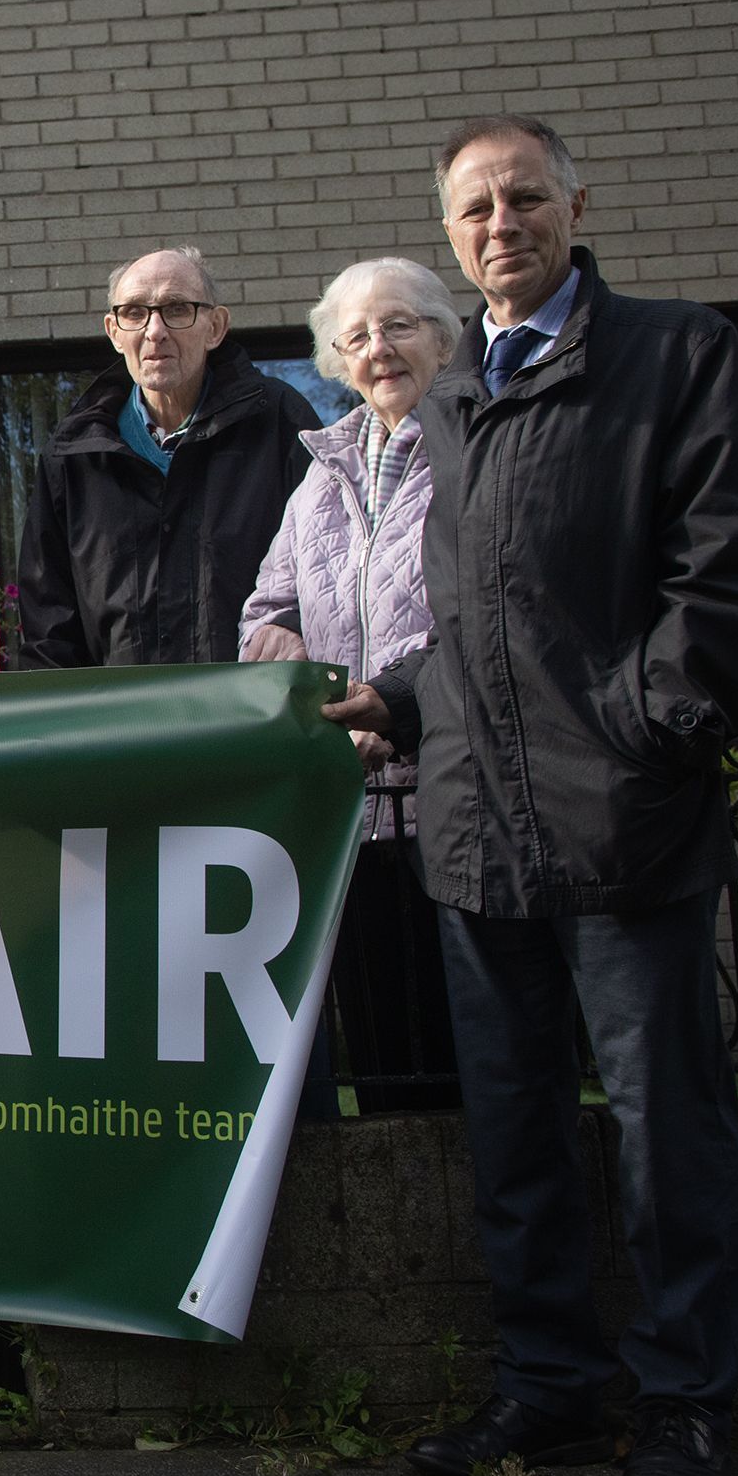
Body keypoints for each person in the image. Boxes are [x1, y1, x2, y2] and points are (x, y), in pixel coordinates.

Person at [326, 117, 738, 1476]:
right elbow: (479, 623)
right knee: (514, 1135)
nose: (501, 224)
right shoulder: (457, 391)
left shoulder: (675, 354)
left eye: (527, 198)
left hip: (624, 825)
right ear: (451, 229)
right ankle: (549, 1388)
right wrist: (397, 702)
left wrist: (646, 735)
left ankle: (685, 1408)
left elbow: (723, 590)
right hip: (478, 833)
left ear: (577, 206)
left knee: (667, 1136)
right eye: (475, 207)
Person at [238, 260, 460, 1115]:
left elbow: (485, 617)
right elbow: (266, 608)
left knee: (472, 1062)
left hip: (450, 796)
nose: (380, 349)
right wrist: (297, 667)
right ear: (335, 359)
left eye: (400, 325)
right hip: (355, 816)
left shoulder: (467, 452)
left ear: (443, 338)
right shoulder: (320, 479)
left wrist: (395, 706)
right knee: (386, 1062)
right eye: (357, 336)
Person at [15, 247, 318, 668]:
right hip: (123, 726)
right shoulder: (73, 453)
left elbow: (330, 566)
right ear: (114, 332)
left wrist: (292, 625)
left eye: (177, 309)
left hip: (258, 716)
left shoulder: (282, 422)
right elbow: (49, 626)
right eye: (135, 313)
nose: (155, 330)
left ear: (216, 327)